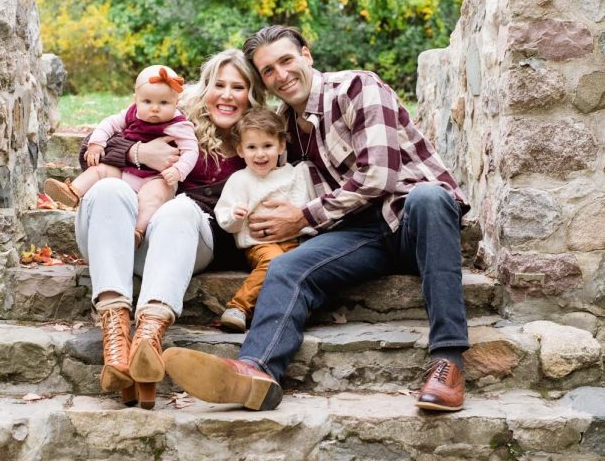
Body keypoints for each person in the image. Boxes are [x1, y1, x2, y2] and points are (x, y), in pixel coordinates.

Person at [163, 25, 471, 413]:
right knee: (287, 267)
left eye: (286, 60)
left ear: (307, 55)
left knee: (429, 197)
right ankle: (255, 371)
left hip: (414, 219)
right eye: (268, 71)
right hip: (361, 232)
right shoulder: (286, 125)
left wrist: (302, 217)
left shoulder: (358, 88)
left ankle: (448, 361)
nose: (281, 74)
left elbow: (378, 176)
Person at [73, 49, 266, 410]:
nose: (226, 95)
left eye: (238, 87)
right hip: (113, 235)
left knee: (182, 207)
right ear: (204, 89)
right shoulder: (172, 116)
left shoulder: (261, 143)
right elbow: (89, 150)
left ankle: (148, 336)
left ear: (252, 93)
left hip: (179, 248)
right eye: (218, 84)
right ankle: (115, 338)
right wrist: (138, 154)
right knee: (109, 188)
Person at [45, 65, 199, 248]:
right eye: (147, 101)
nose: (155, 108)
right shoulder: (131, 113)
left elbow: (191, 150)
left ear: (176, 102)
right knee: (101, 170)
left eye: (164, 103)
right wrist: (96, 143)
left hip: (156, 178)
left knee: (154, 195)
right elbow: (109, 124)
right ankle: (73, 192)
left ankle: (138, 232)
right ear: (136, 99)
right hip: (126, 173)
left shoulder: (180, 125)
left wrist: (178, 170)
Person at [214, 107, 315, 332]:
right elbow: (224, 217)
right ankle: (238, 307)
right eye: (252, 147)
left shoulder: (295, 174)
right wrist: (235, 216)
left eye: (267, 146)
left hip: (294, 241)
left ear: (281, 146)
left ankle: (292, 308)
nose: (260, 154)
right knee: (275, 262)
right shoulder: (240, 180)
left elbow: (306, 208)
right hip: (260, 244)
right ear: (240, 150)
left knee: (299, 267)